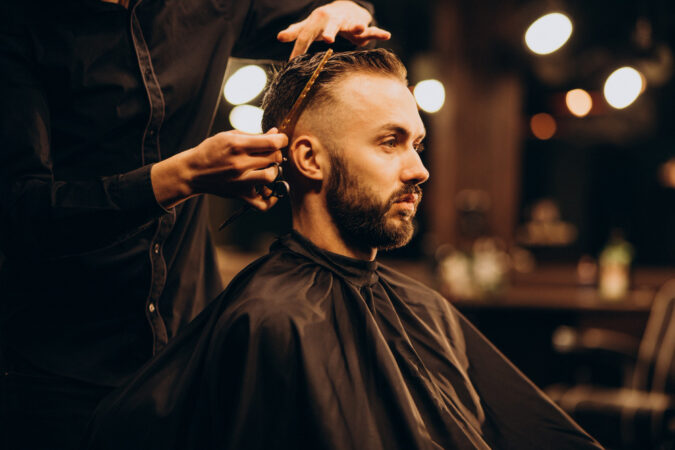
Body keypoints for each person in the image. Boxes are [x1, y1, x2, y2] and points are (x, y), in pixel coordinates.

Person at [84, 49, 602, 449]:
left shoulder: (425, 310)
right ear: (309, 158)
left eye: (417, 144)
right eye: (389, 141)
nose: (419, 170)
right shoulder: (272, 321)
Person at [0, 1, 389, 448]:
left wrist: (346, 9)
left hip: (189, 350)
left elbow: (332, 26)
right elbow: (20, 213)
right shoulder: (18, 27)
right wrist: (181, 177)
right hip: (59, 369)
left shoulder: (210, 7)